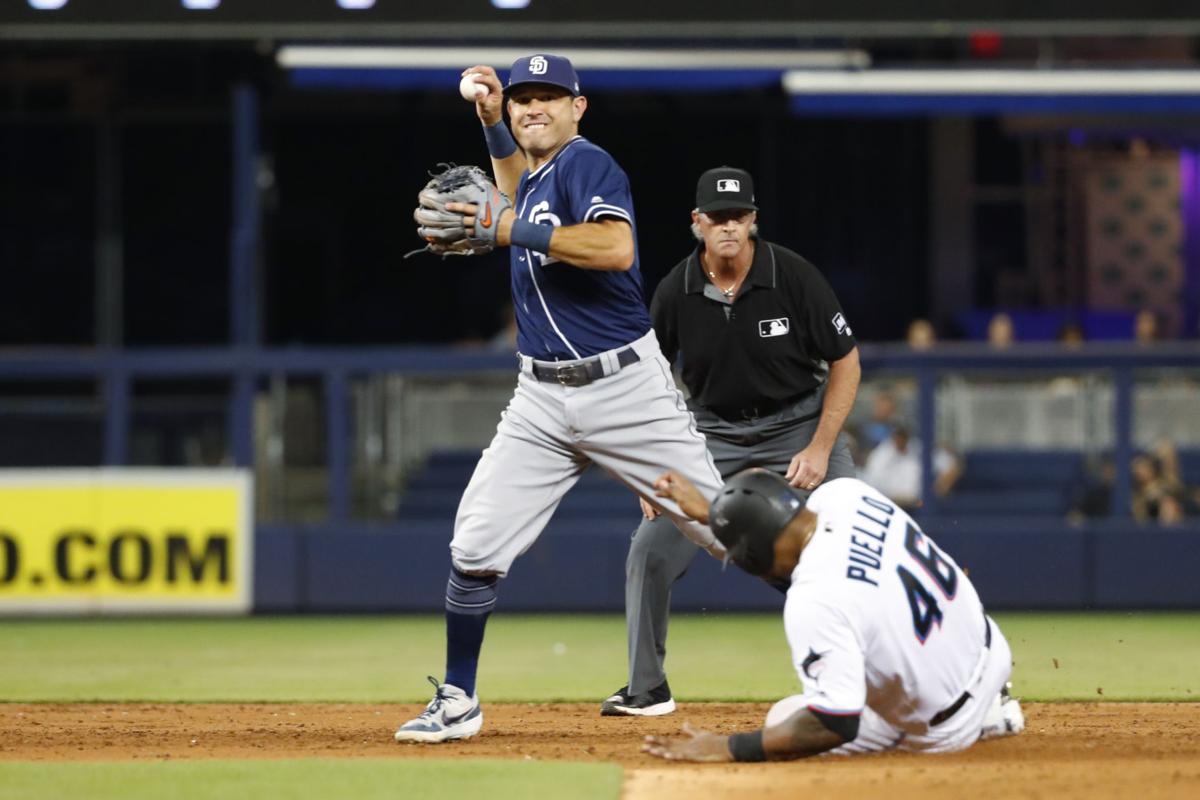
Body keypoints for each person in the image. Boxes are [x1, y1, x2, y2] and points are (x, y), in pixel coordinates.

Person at [393, 54, 727, 743]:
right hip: (540, 399)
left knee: (732, 534)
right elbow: (517, 191)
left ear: (579, 106)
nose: (533, 107)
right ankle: (458, 698)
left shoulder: (588, 163)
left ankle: (890, 651)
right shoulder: (538, 174)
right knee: (475, 540)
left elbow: (617, 247)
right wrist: (488, 121)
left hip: (624, 389)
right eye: (523, 99)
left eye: (549, 96)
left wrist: (510, 228)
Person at [601, 167, 860, 717]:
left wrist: (819, 448)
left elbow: (845, 360)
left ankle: (874, 670)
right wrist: (651, 465)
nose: (728, 227)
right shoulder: (675, 290)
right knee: (649, 547)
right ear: (697, 223)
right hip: (712, 434)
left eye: (738, 216)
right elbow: (645, 378)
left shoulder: (791, 275)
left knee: (846, 541)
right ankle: (647, 688)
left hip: (797, 424)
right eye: (717, 218)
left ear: (753, 221)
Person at [641, 467, 1025, 762]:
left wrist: (728, 746)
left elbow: (834, 723)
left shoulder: (813, 599)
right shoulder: (846, 495)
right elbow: (773, 520)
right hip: (991, 651)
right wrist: (715, 513)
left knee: (785, 720)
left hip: (944, 725)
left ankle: (981, 723)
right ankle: (994, 703)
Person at [860, 425, 962, 512]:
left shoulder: (917, 447)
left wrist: (939, 488)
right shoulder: (880, 455)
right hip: (891, 507)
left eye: (904, 436)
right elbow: (872, 484)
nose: (901, 439)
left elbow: (951, 464)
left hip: (920, 507)